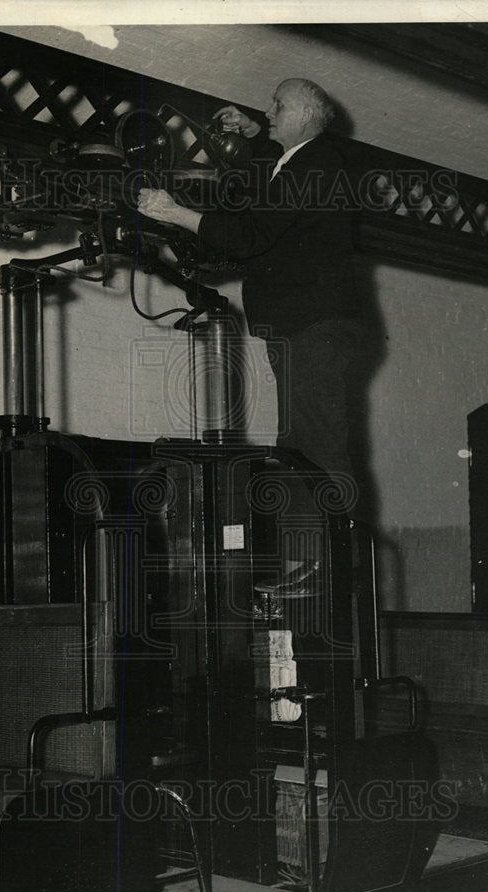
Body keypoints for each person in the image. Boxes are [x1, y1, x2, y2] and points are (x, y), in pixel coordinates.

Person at [138, 79, 363, 595]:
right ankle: (308, 565)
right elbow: (269, 182)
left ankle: (329, 566)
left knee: (316, 444)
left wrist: (174, 213)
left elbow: (250, 234)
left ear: (306, 115)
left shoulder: (318, 164)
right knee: (298, 445)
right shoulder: (299, 160)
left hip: (316, 326)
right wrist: (257, 129)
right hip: (303, 326)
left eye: (277, 105)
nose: (268, 108)